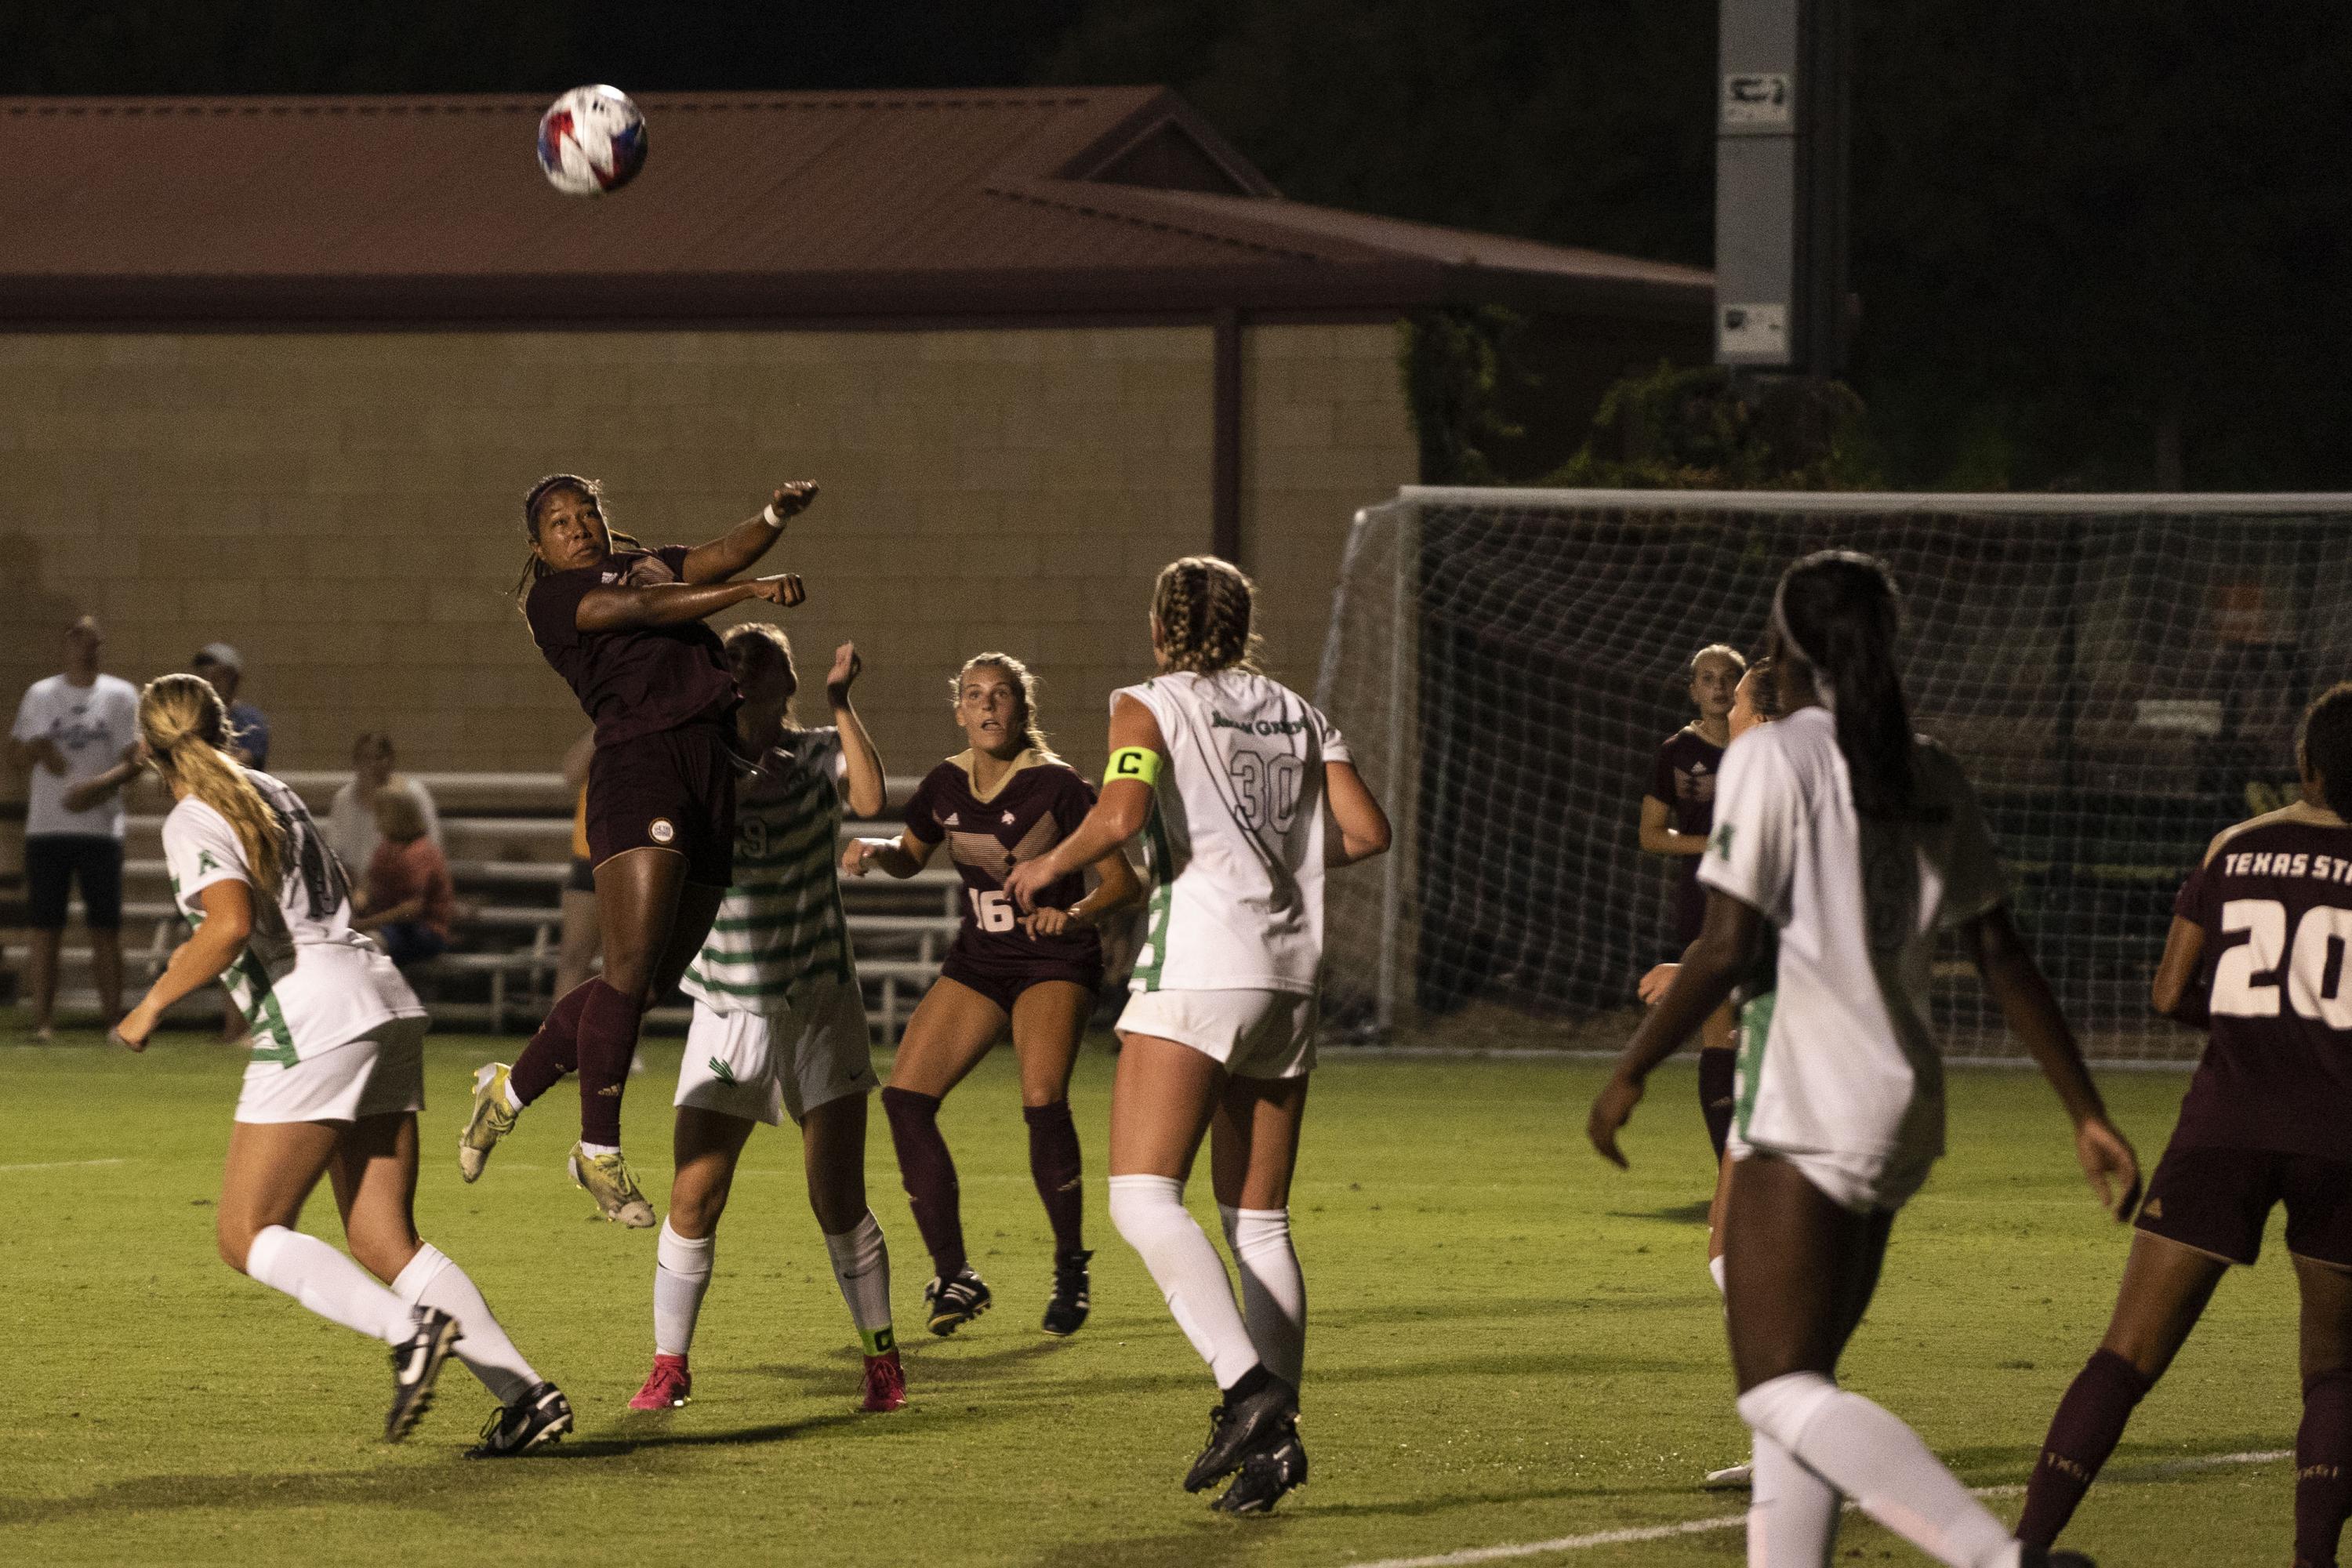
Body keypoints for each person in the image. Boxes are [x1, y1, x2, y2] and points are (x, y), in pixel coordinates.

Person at [1587, 550, 2136, 1568]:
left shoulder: (1773, 755)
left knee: (1778, 1390)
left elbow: (1728, 941)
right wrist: (2087, 1111)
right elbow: (2001, 951)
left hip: (1806, 1099)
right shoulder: (1927, 765)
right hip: (1902, 1105)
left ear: (1787, 645)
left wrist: (1631, 1069)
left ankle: (1996, 1558)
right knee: (1803, 1393)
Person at [1004, 556, 1391, 1515]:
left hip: (1201, 966)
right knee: (1259, 1218)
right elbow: (1367, 830)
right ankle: (1277, 1444)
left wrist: (1049, 861)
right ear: (1244, 623)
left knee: (1141, 1198)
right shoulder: (1301, 711)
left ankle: (1249, 1392)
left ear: (1160, 625)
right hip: (1289, 979)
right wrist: (1283, 854)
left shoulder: (1148, 701)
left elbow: (1123, 810)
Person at [110, 673, 569, 1456]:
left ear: (148, 751)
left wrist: (150, 1004)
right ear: (225, 726)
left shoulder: (192, 815)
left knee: (244, 1231)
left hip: (314, 1012)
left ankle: (407, 1329)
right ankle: (526, 1396)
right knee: (384, 1236)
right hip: (378, 993)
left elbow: (227, 926)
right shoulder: (274, 788)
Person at [2016, 681, 2352, 1568]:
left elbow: (2169, 991)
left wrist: (2258, 1023)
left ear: (2305, 762)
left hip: (2224, 1124)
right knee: (2335, 1370)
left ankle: (2023, 1547)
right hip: (2342, 1135)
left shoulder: (2237, 846)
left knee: (2125, 1356)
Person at [458, 474, 817, 1228]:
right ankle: (598, 1150)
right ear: (539, 546)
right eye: (559, 521)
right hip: (641, 765)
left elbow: (718, 553)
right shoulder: (554, 598)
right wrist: (751, 592)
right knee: (623, 971)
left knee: (644, 985)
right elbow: (648, 609)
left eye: (586, 511)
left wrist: (773, 515)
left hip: (708, 768)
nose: (578, 526)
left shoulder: (646, 559)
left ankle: (508, 1091)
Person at [630, 625, 906, 1415]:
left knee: (836, 1194)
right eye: (735, 659)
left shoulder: (819, 749)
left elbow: (870, 799)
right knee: (695, 1195)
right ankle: (669, 1366)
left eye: (765, 658)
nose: (748, 669)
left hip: (819, 995)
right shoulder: (701, 759)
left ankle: (882, 1361)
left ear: (789, 678)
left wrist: (843, 703)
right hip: (728, 1001)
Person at [845, 652, 1142, 1339]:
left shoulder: (1061, 787)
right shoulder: (945, 783)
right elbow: (911, 855)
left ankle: (1071, 1264)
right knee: (905, 1100)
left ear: (1022, 708)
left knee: (1041, 1101)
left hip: (1054, 959)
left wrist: (1071, 915)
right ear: (958, 710)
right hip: (981, 960)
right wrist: (876, 846)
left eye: (1001, 695)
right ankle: (956, 1275)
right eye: (974, 695)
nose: (988, 707)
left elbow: (1127, 884)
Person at [1633, 654, 1783, 1490]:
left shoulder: (1771, 792)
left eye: (1744, 699)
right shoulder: (1819, 787)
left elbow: (1754, 924)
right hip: (1803, 1039)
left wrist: (1693, 971)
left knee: (1738, 1255)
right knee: (1744, 1254)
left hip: (1791, 1047)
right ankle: (1782, 1439)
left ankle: (1796, 1434)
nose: (1729, 712)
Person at [9, 615, 140, 1039]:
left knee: (106, 927)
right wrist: (38, 751)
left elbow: (135, 760)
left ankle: (113, 1022)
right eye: (76, 637)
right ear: (65, 642)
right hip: (48, 827)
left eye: (92, 638)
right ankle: (42, 1023)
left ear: (100, 643)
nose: (85, 645)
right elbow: (15, 753)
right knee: (45, 928)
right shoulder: (41, 695)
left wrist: (96, 787)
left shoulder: (120, 695)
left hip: (100, 829)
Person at [1640, 644, 1746, 1163]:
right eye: (1708, 679)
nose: (1720, 688)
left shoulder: (1764, 748)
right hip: (1705, 902)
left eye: (1729, 678)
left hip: (1763, 902)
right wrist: (1715, 845)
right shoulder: (1677, 754)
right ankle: (1729, 1169)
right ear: (1693, 690)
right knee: (1720, 1030)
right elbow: (1652, 835)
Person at [353, 789, 456, 970]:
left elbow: (411, 911)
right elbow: (369, 883)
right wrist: (355, 905)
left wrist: (363, 924)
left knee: (372, 944)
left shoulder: (419, 852)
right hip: (393, 926)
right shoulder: (387, 848)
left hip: (424, 930)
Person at [325, 732, 441, 878]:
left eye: (379, 757)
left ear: (391, 760)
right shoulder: (343, 799)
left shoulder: (412, 794)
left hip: (405, 881)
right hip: (355, 885)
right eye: (366, 758)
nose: (373, 765)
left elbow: (432, 847)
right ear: (356, 763)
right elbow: (334, 851)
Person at [554, 731, 601, 999]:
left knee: (633, 968)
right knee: (573, 958)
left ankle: (620, 1041)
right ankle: (561, 1040)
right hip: (590, 856)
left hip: (638, 858)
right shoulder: (606, 725)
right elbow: (571, 773)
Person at [191, 642, 270, 768]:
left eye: (218, 677)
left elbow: (240, 764)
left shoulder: (250, 722)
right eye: (203, 676)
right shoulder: (190, 719)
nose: (210, 683)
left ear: (235, 679)